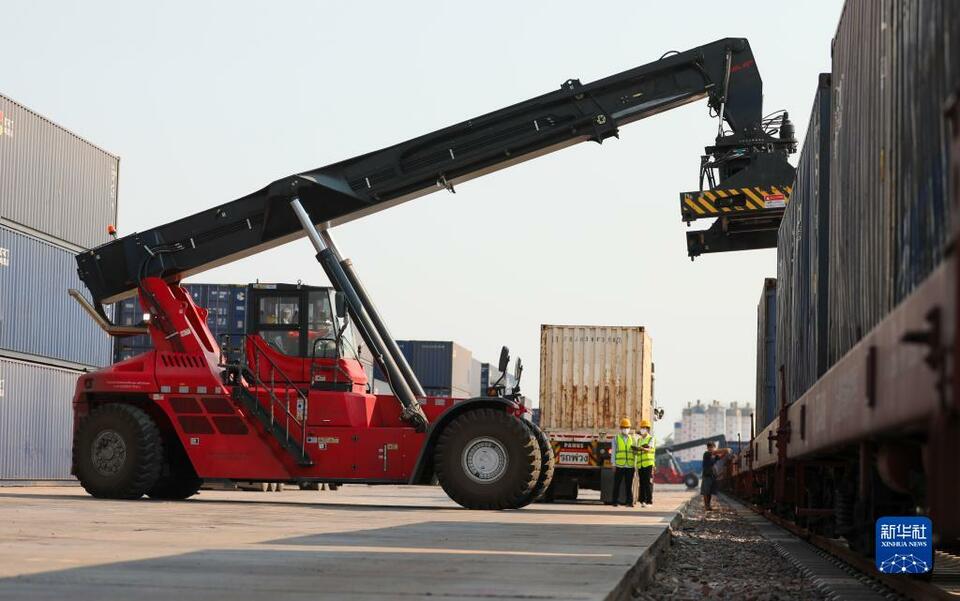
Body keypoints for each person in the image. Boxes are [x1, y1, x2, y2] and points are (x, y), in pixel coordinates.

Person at [611, 417, 637, 507]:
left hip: (630, 466)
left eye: (627, 427)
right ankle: (615, 501)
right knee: (617, 484)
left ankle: (629, 502)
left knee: (629, 485)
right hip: (619, 465)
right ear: (621, 428)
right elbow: (613, 452)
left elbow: (635, 452)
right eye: (624, 427)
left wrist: (635, 465)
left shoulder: (632, 439)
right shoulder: (616, 438)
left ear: (629, 428)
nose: (625, 429)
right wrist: (613, 464)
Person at [701, 441, 729, 511]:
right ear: (707, 448)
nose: (710, 449)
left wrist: (726, 453)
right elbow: (715, 452)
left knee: (710, 492)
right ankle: (706, 506)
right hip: (706, 475)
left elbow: (720, 456)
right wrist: (726, 449)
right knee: (706, 491)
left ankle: (708, 506)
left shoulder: (714, 456)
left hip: (712, 475)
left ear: (714, 447)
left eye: (712, 447)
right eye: (709, 447)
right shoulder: (706, 454)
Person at [636, 419, 656, 507]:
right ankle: (642, 501)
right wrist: (635, 450)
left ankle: (649, 501)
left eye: (644, 428)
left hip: (648, 464)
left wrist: (642, 449)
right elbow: (638, 451)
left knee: (648, 483)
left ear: (647, 429)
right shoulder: (639, 440)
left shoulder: (651, 438)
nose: (642, 429)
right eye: (641, 428)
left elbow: (649, 449)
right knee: (642, 483)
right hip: (640, 464)